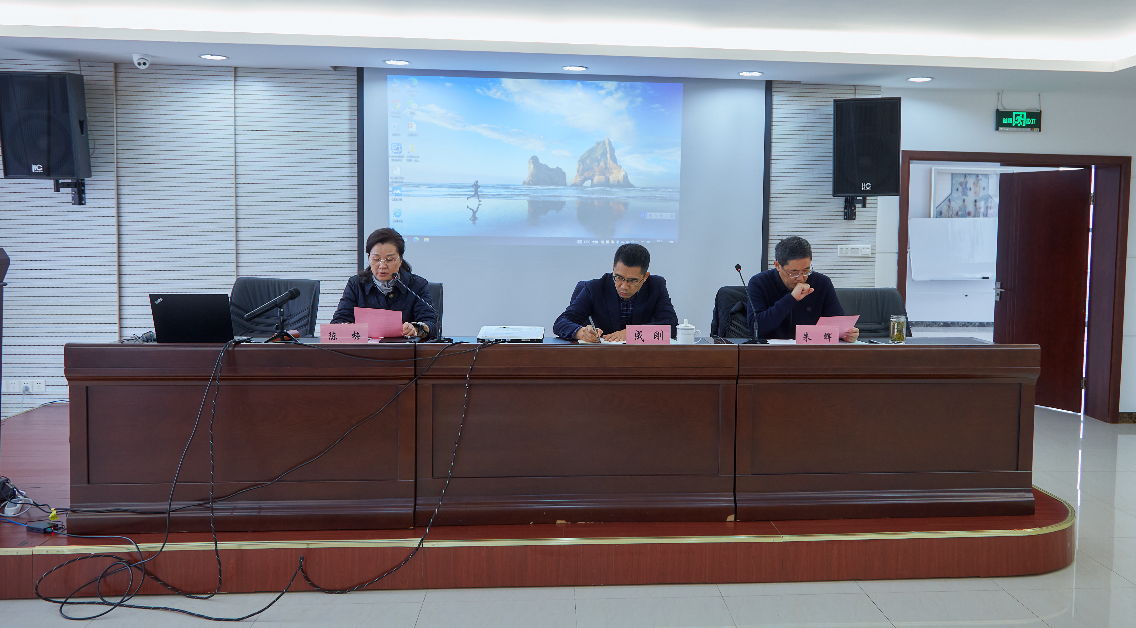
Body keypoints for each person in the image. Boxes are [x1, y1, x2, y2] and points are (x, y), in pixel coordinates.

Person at [554, 243, 678, 343]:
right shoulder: (595, 288)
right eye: (619, 277)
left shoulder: (656, 286)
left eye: (633, 280)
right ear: (613, 268)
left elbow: (671, 326)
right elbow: (561, 322)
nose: (624, 286)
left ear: (645, 277)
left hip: (641, 356)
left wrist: (631, 333)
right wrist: (581, 332)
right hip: (602, 357)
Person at [331, 227, 438, 339]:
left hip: (403, 348)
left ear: (400, 259)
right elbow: (338, 321)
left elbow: (431, 324)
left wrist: (415, 328)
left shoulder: (417, 285)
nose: (382, 266)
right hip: (365, 348)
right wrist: (347, 328)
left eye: (389, 260)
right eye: (376, 259)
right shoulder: (356, 284)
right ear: (369, 258)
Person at [747, 236, 859, 342]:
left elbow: (836, 323)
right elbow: (756, 328)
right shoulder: (759, 283)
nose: (801, 278)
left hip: (812, 350)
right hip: (770, 351)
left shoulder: (822, 282)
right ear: (777, 265)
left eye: (806, 271)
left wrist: (846, 334)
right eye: (793, 272)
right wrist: (792, 298)